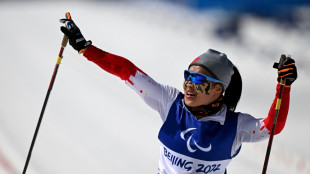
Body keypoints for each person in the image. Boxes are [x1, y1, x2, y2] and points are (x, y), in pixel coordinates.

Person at [59, 17, 297, 174]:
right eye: (188, 76)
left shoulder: (235, 126)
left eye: (199, 80)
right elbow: (126, 71)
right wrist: (85, 48)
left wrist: (283, 87)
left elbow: (271, 127)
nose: (189, 85)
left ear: (218, 90)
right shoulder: (170, 102)